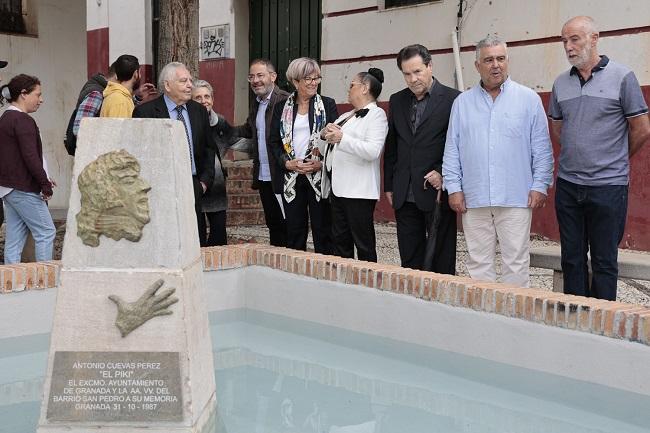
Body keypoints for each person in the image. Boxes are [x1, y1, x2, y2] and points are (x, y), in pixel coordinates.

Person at [549, 16, 650, 300]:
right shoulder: (560, 84)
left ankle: (603, 326)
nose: (568, 47)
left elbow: (642, 128)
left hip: (608, 187)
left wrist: (615, 157)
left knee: (604, 262)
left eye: (574, 39)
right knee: (571, 259)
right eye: (564, 41)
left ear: (594, 39)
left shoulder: (623, 77)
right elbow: (558, 129)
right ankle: (575, 319)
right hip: (569, 186)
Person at [443, 35, 554, 287]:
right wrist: (454, 188)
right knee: (478, 262)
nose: (496, 65)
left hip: (516, 196)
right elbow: (452, 149)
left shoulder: (528, 100)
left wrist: (540, 185)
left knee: (515, 262)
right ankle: (484, 319)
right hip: (474, 196)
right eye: (489, 59)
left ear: (508, 61)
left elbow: (542, 148)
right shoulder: (462, 103)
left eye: (501, 59)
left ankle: (515, 321)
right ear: (477, 65)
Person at [383, 44, 460, 272]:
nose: (413, 78)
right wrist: (389, 183)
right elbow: (392, 146)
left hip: (436, 189)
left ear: (430, 66)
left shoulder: (453, 99)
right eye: (407, 73)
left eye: (417, 71)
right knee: (409, 258)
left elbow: (458, 145)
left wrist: (442, 172)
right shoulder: (397, 100)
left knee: (441, 256)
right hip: (403, 191)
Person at [133, 62, 216, 240]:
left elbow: (209, 148)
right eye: (183, 81)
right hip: (159, 188)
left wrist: (204, 182)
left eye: (190, 81)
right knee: (163, 240)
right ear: (168, 85)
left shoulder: (199, 111)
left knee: (194, 239)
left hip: (193, 184)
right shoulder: (145, 112)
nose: (189, 85)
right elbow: (140, 154)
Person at [269, 57, 338, 253]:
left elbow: (334, 141)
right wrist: (287, 164)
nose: (314, 82)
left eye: (316, 78)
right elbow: (274, 142)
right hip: (292, 176)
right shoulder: (282, 107)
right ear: (295, 81)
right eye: (308, 78)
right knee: (294, 231)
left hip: (318, 175)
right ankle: (297, 277)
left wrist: (321, 164)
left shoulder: (327, 104)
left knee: (323, 231)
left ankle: (325, 275)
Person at [320, 68, 388, 262]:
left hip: (359, 191)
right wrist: (325, 133)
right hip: (339, 189)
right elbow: (325, 143)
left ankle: (368, 282)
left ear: (365, 88)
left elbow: (373, 151)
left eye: (352, 85)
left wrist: (342, 138)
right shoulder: (346, 115)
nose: (348, 89)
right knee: (340, 242)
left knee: (363, 244)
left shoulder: (377, 115)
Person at [0, 74, 56, 264]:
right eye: (37, 94)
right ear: (23, 94)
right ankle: (45, 283)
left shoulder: (5, 119)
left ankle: (9, 287)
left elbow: (16, 157)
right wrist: (44, 184)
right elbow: (31, 157)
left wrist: (45, 177)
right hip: (24, 188)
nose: (41, 100)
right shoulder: (23, 121)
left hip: (8, 188)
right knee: (46, 232)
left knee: (14, 241)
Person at [234, 59, 290, 247]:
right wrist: (220, 127)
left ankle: (291, 267)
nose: (255, 80)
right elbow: (249, 131)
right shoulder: (257, 102)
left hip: (283, 175)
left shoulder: (285, 100)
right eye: (251, 76)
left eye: (260, 75)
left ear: (273, 77)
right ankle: (276, 267)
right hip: (264, 176)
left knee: (288, 225)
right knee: (273, 224)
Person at [191, 79, 231, 246]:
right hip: (195, 185)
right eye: (198, 97)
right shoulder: (186, 121)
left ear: (213, 99)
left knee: (219, 234)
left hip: (216, 186)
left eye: (207, 96)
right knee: (196, 235)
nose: (204, 100)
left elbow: (234, 140)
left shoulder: (220, 122)